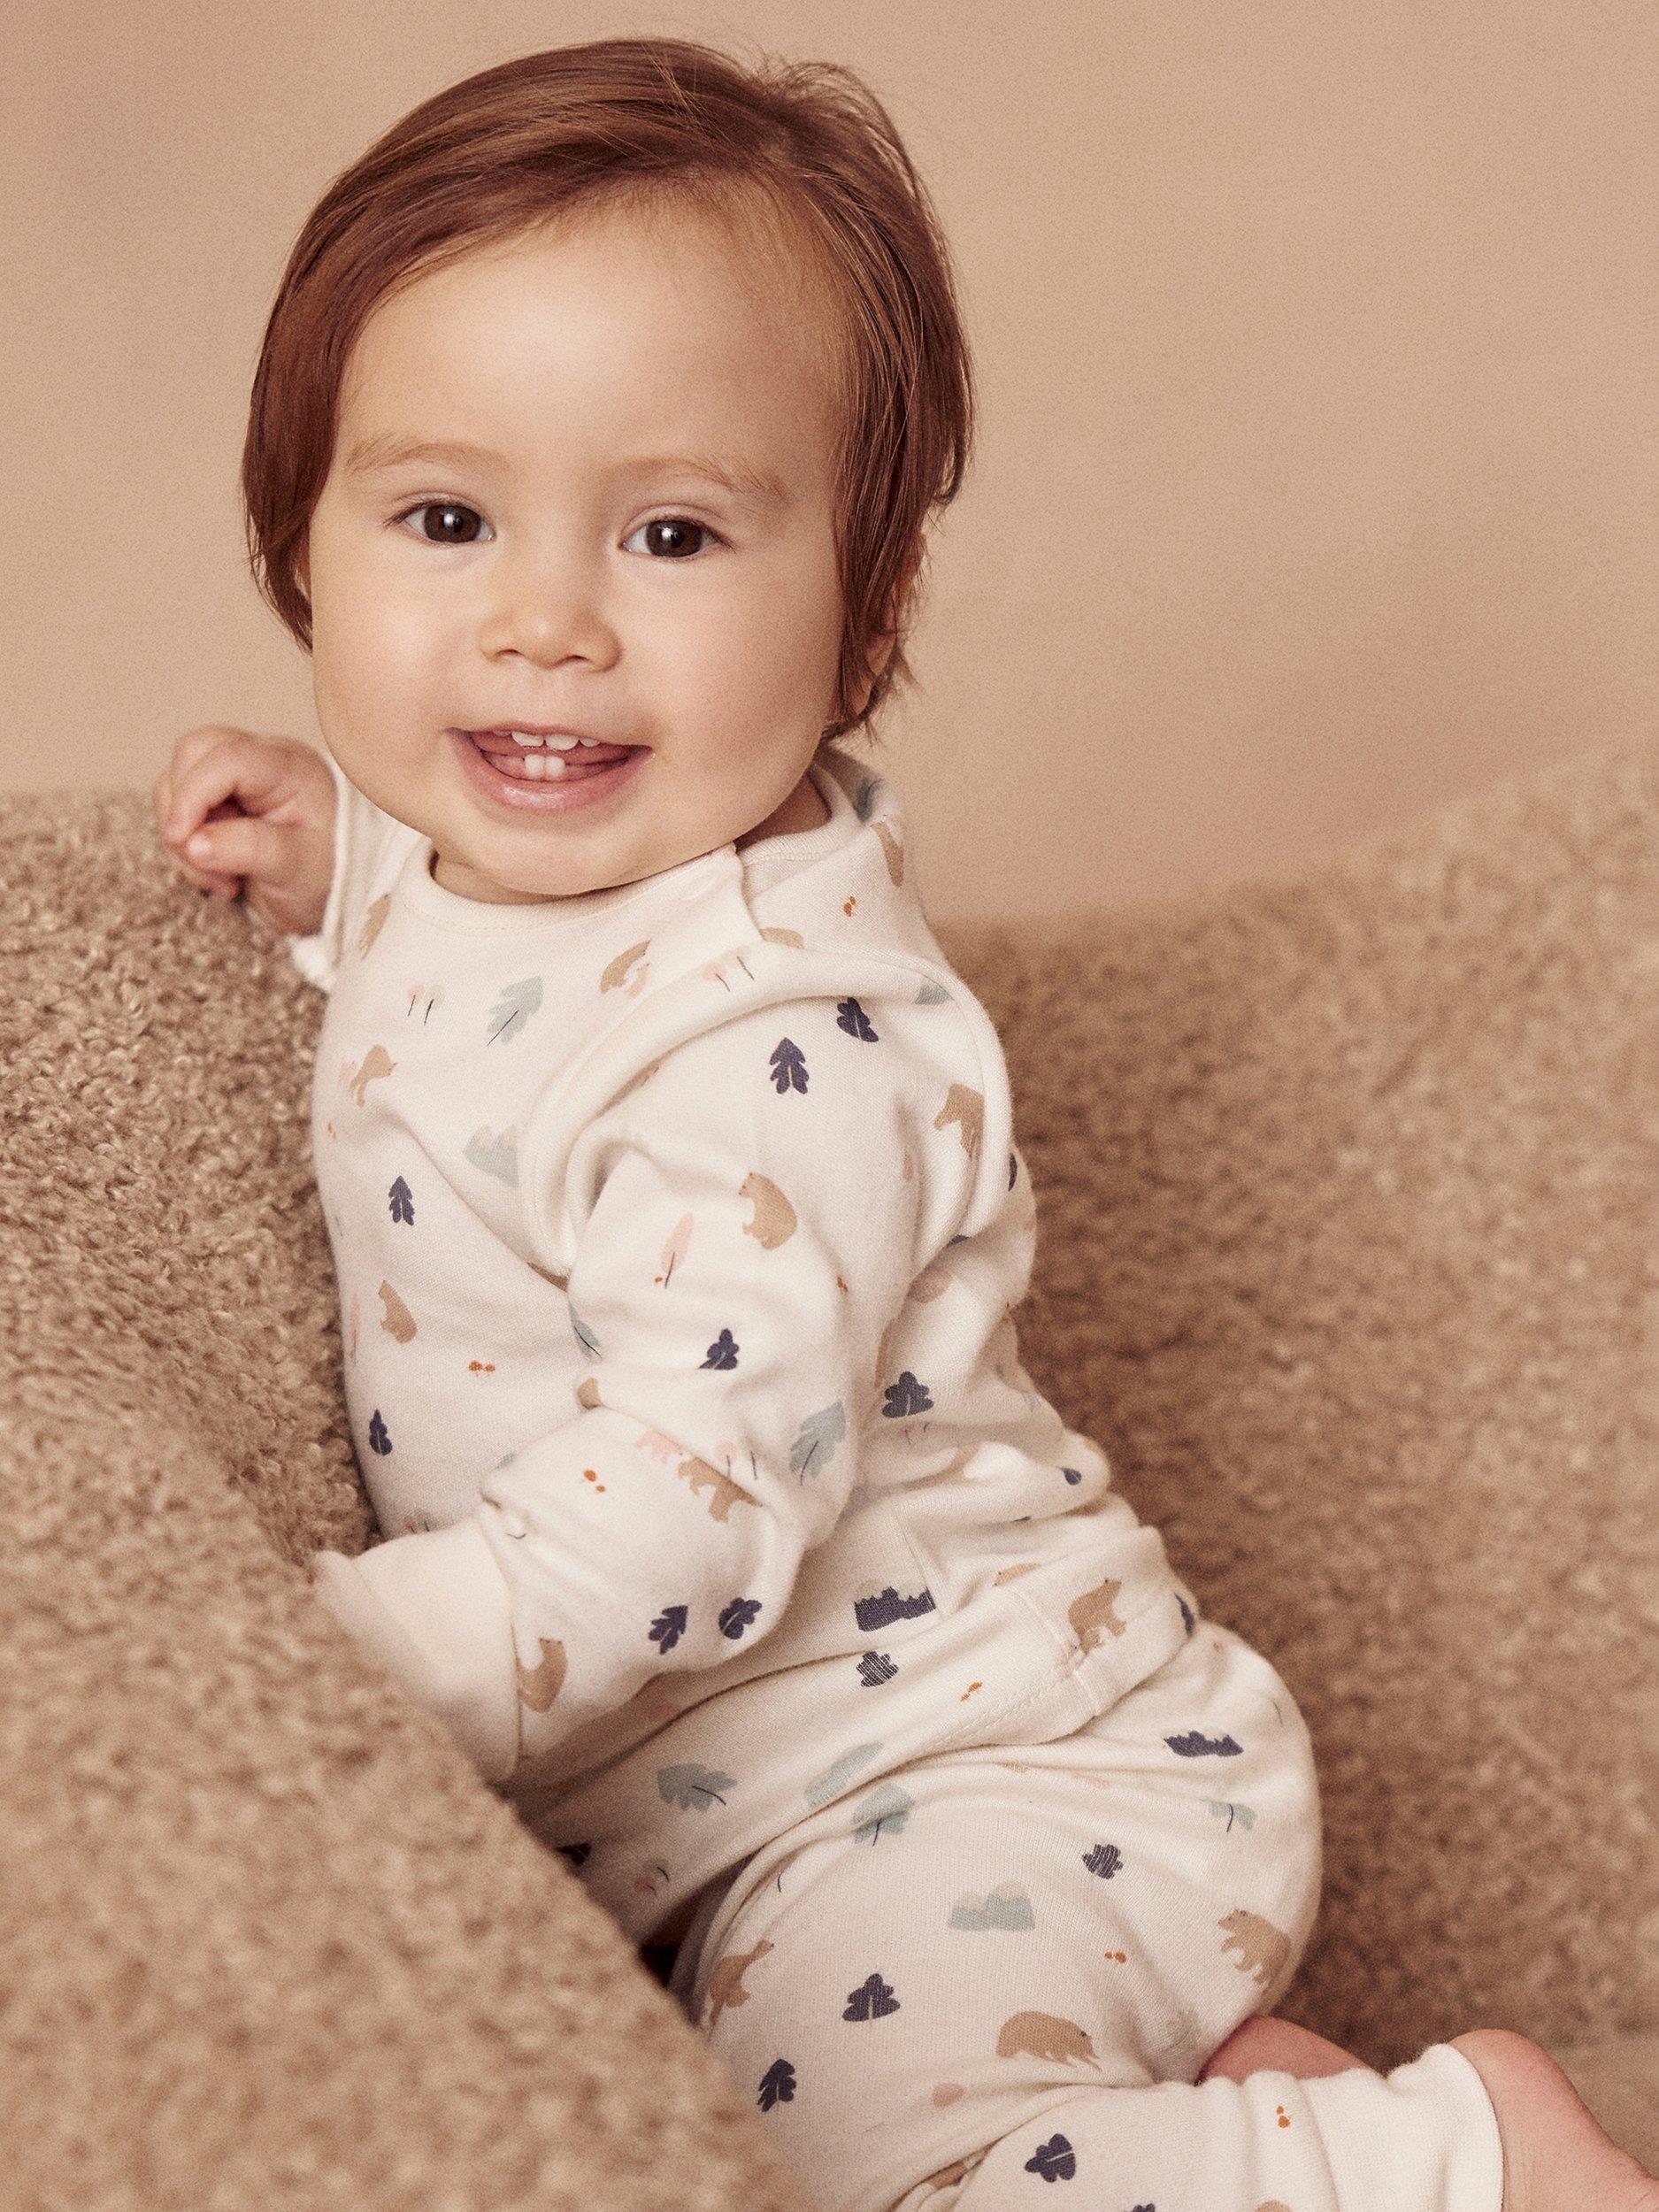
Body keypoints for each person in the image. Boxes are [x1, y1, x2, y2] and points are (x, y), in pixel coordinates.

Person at [151, 35, 1655, 2212]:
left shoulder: (776, 1051)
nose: (541, 623)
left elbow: (683, 1513)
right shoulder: (503, 871)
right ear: (301, 541)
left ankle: (1459, 2154)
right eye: (446, 520)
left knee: (870, 2168)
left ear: (864, 621)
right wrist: (337, 852)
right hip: (779, 1828)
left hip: (971, 1773)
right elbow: (502, 957)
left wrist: (323, 1653)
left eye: (672, 532)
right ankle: (1233, 2092)